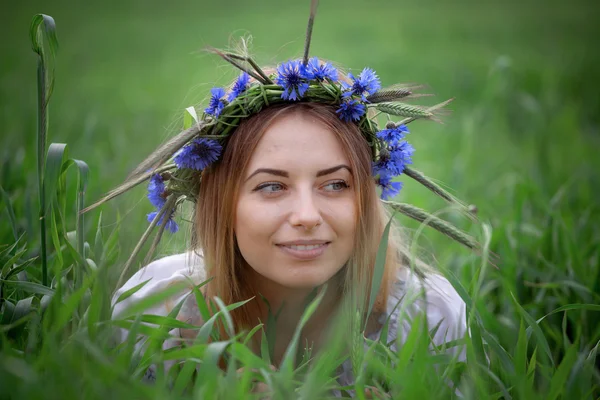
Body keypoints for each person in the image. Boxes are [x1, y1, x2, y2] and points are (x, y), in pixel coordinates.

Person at [102, 2, 475, 394]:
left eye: (335, 185)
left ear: (366, 197)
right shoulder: (155, 315)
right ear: (221, 203)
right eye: (271, 186)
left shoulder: (428, 321)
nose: (306, 215)